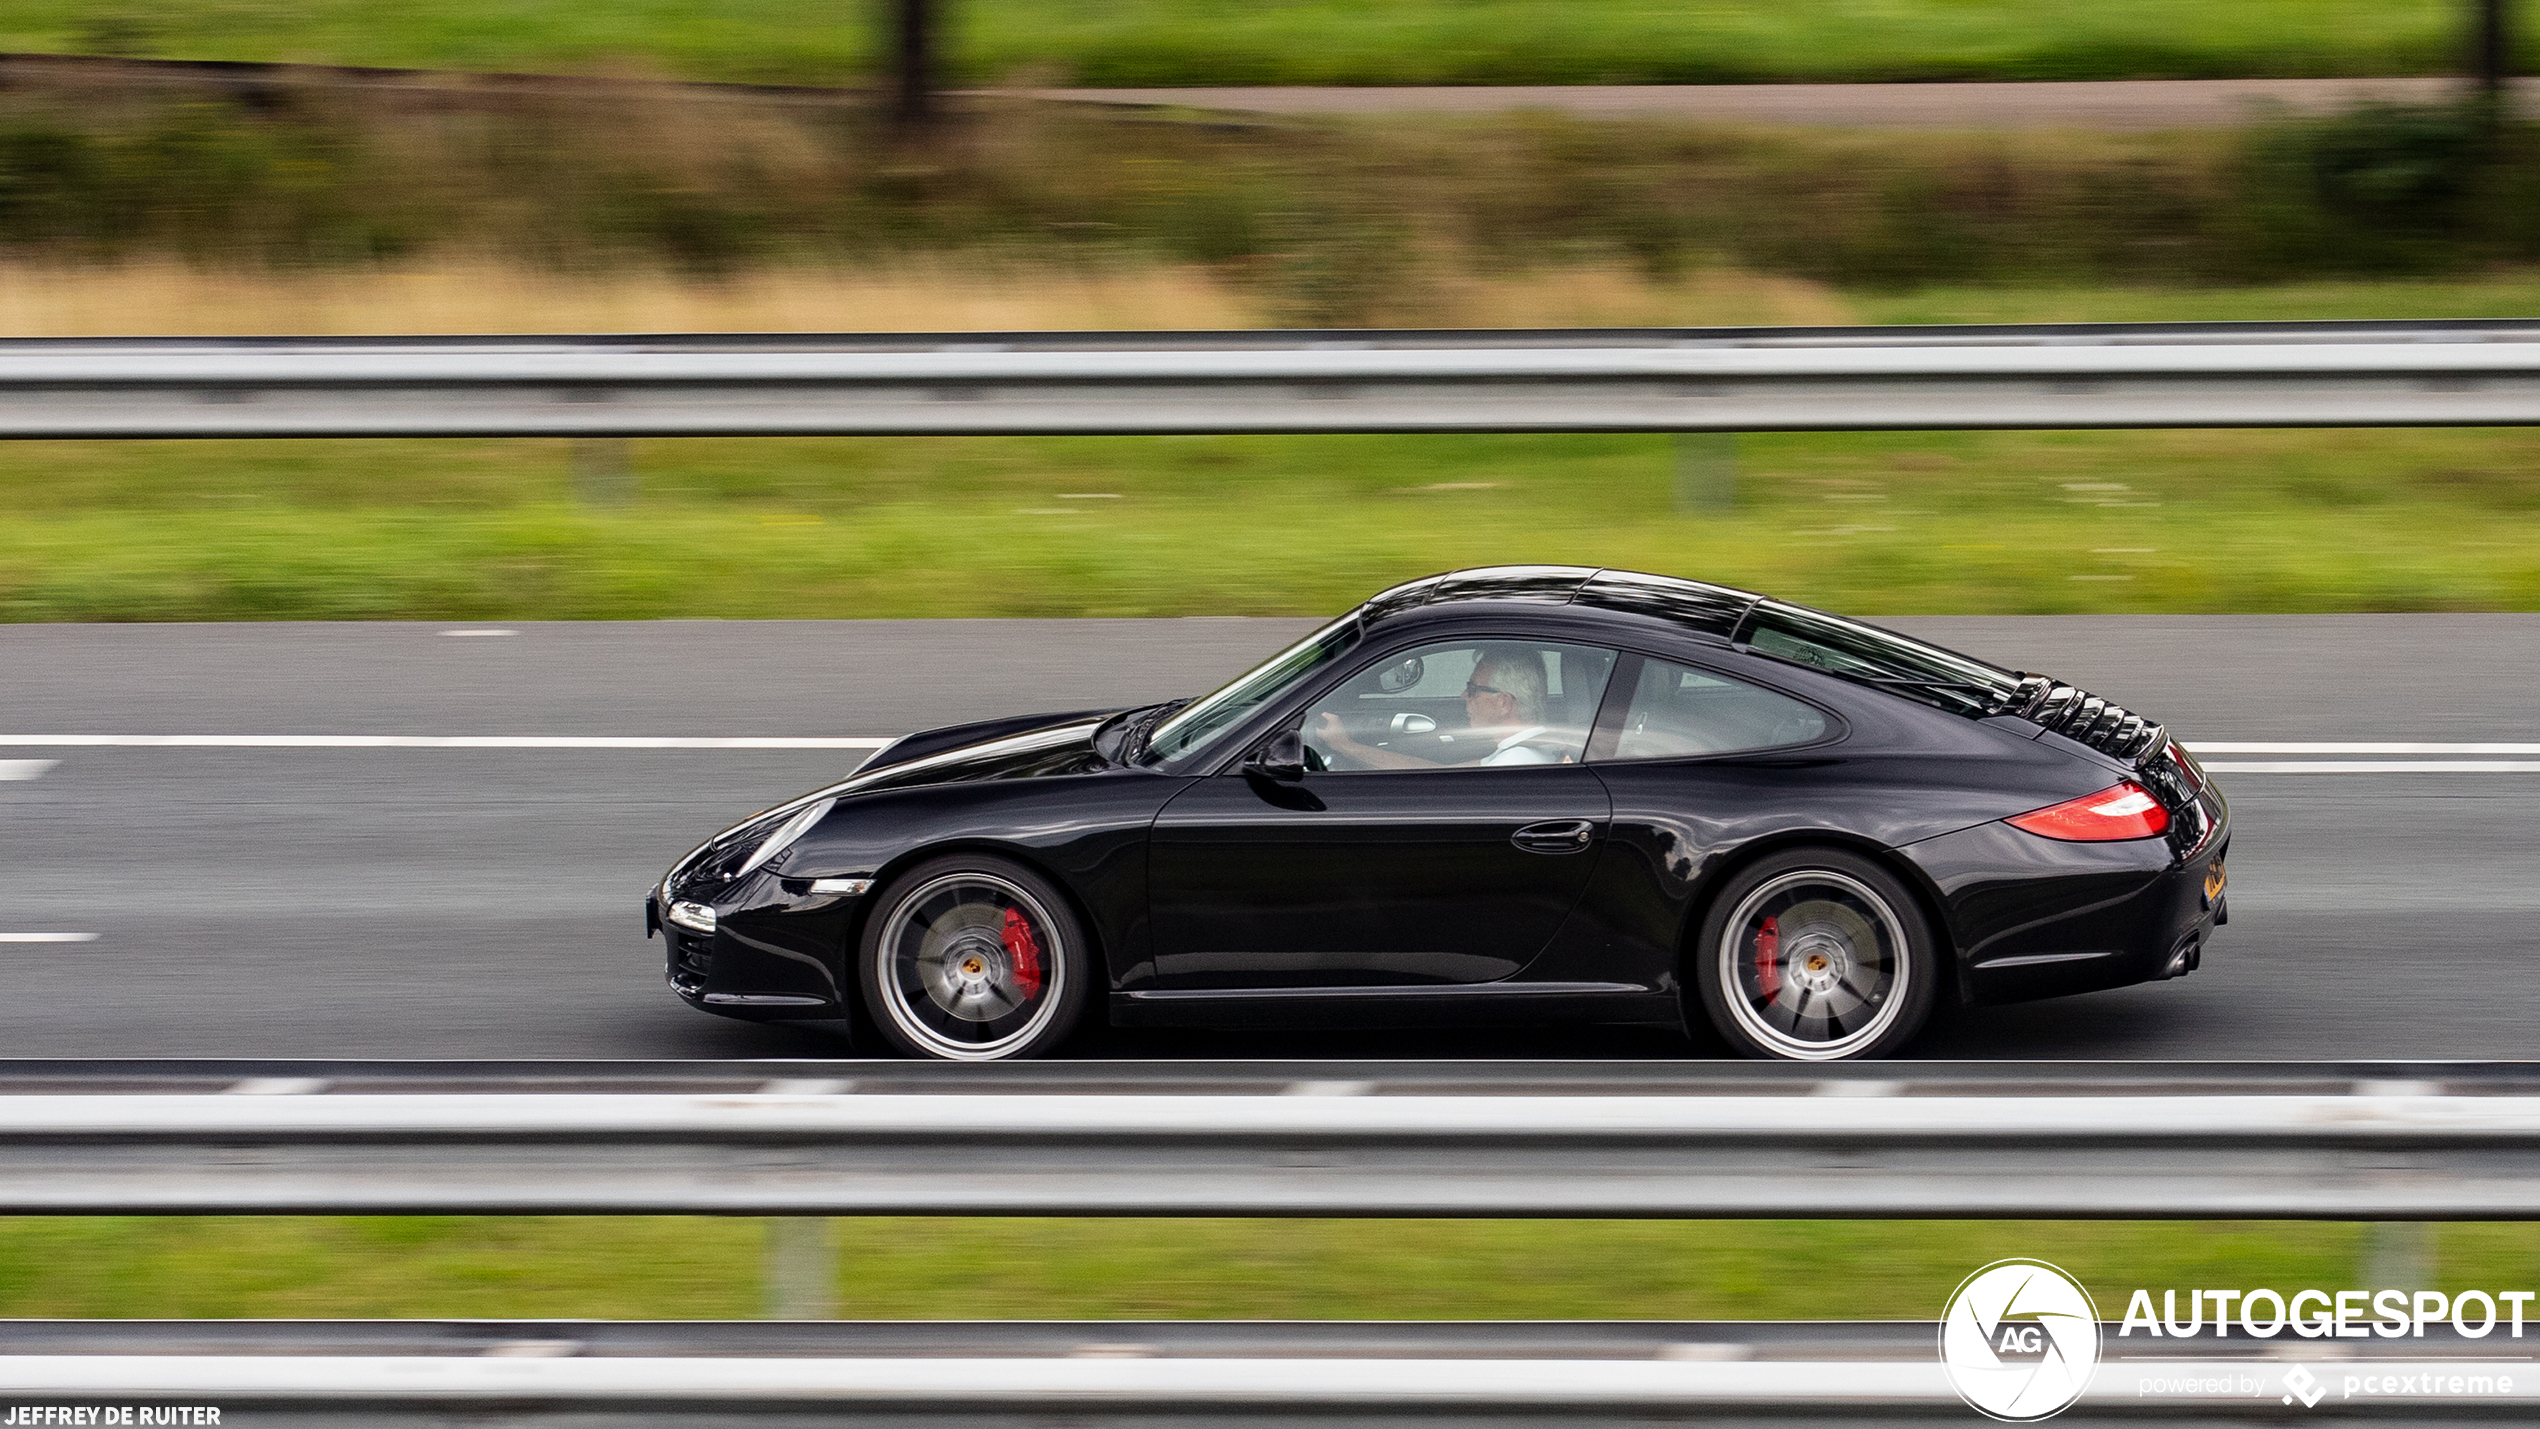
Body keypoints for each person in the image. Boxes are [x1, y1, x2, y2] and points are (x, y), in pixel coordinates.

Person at [1309, 651, 1565, 770]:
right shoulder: (1534, 749)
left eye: (1473, 689)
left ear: (1503, 703)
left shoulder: (1513, 765)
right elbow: (1432, 772)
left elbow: (1431, 787)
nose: (1464, 695)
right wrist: (1349, 746)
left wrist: (1347, 748)